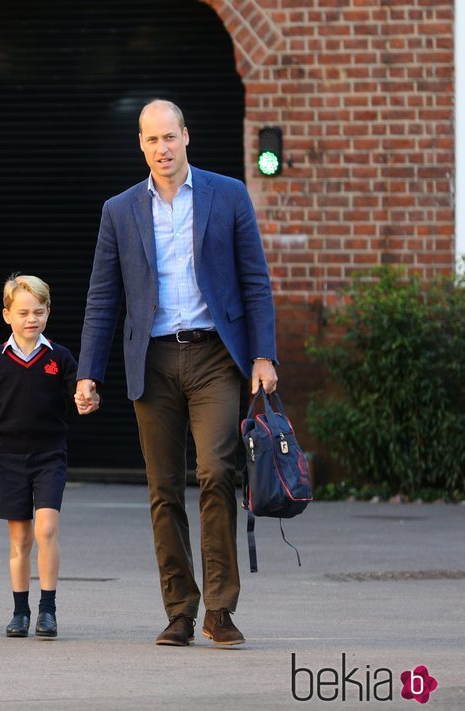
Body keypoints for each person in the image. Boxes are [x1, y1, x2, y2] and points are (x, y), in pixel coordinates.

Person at [75, 99, 278, 647]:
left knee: (216, 473)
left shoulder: (228, 195)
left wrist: (264, 355)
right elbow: (103, 297)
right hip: (153, 360)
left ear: (186, 136)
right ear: (139, 145)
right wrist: (88, 372)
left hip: (215, 357)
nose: (162, 149)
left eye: (170, 137)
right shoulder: (119, 210)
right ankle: (180, 609)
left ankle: (220, 608)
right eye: (151, 140)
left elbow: (255, 281)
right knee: (163, 489)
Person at [0, 275, 85, 639]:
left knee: (46, 529)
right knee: (20, 540)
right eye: (24, 312)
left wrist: (86, 397)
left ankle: (48, 609)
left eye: (39, 312)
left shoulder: (59, 357)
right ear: (7, 315)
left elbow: (80, 391)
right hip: (10, 458)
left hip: (49, 455)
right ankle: (20, 612)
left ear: (48, 313)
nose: (32, 319)